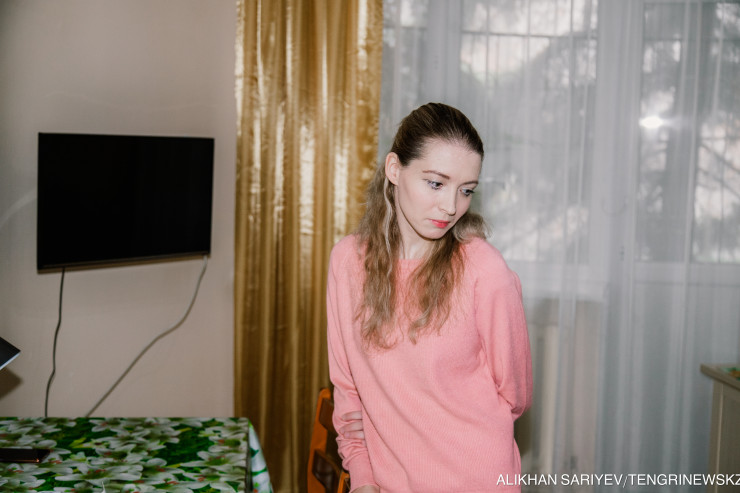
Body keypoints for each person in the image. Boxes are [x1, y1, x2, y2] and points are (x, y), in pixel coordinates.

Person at [326, 102, 532, 492]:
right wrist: (363, 476)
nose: (451, 207)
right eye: (436, 183)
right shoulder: (348, 262)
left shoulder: (484, 270)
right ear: (394, 169)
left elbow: (515, 396)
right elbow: (348, 390)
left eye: (466, 190)